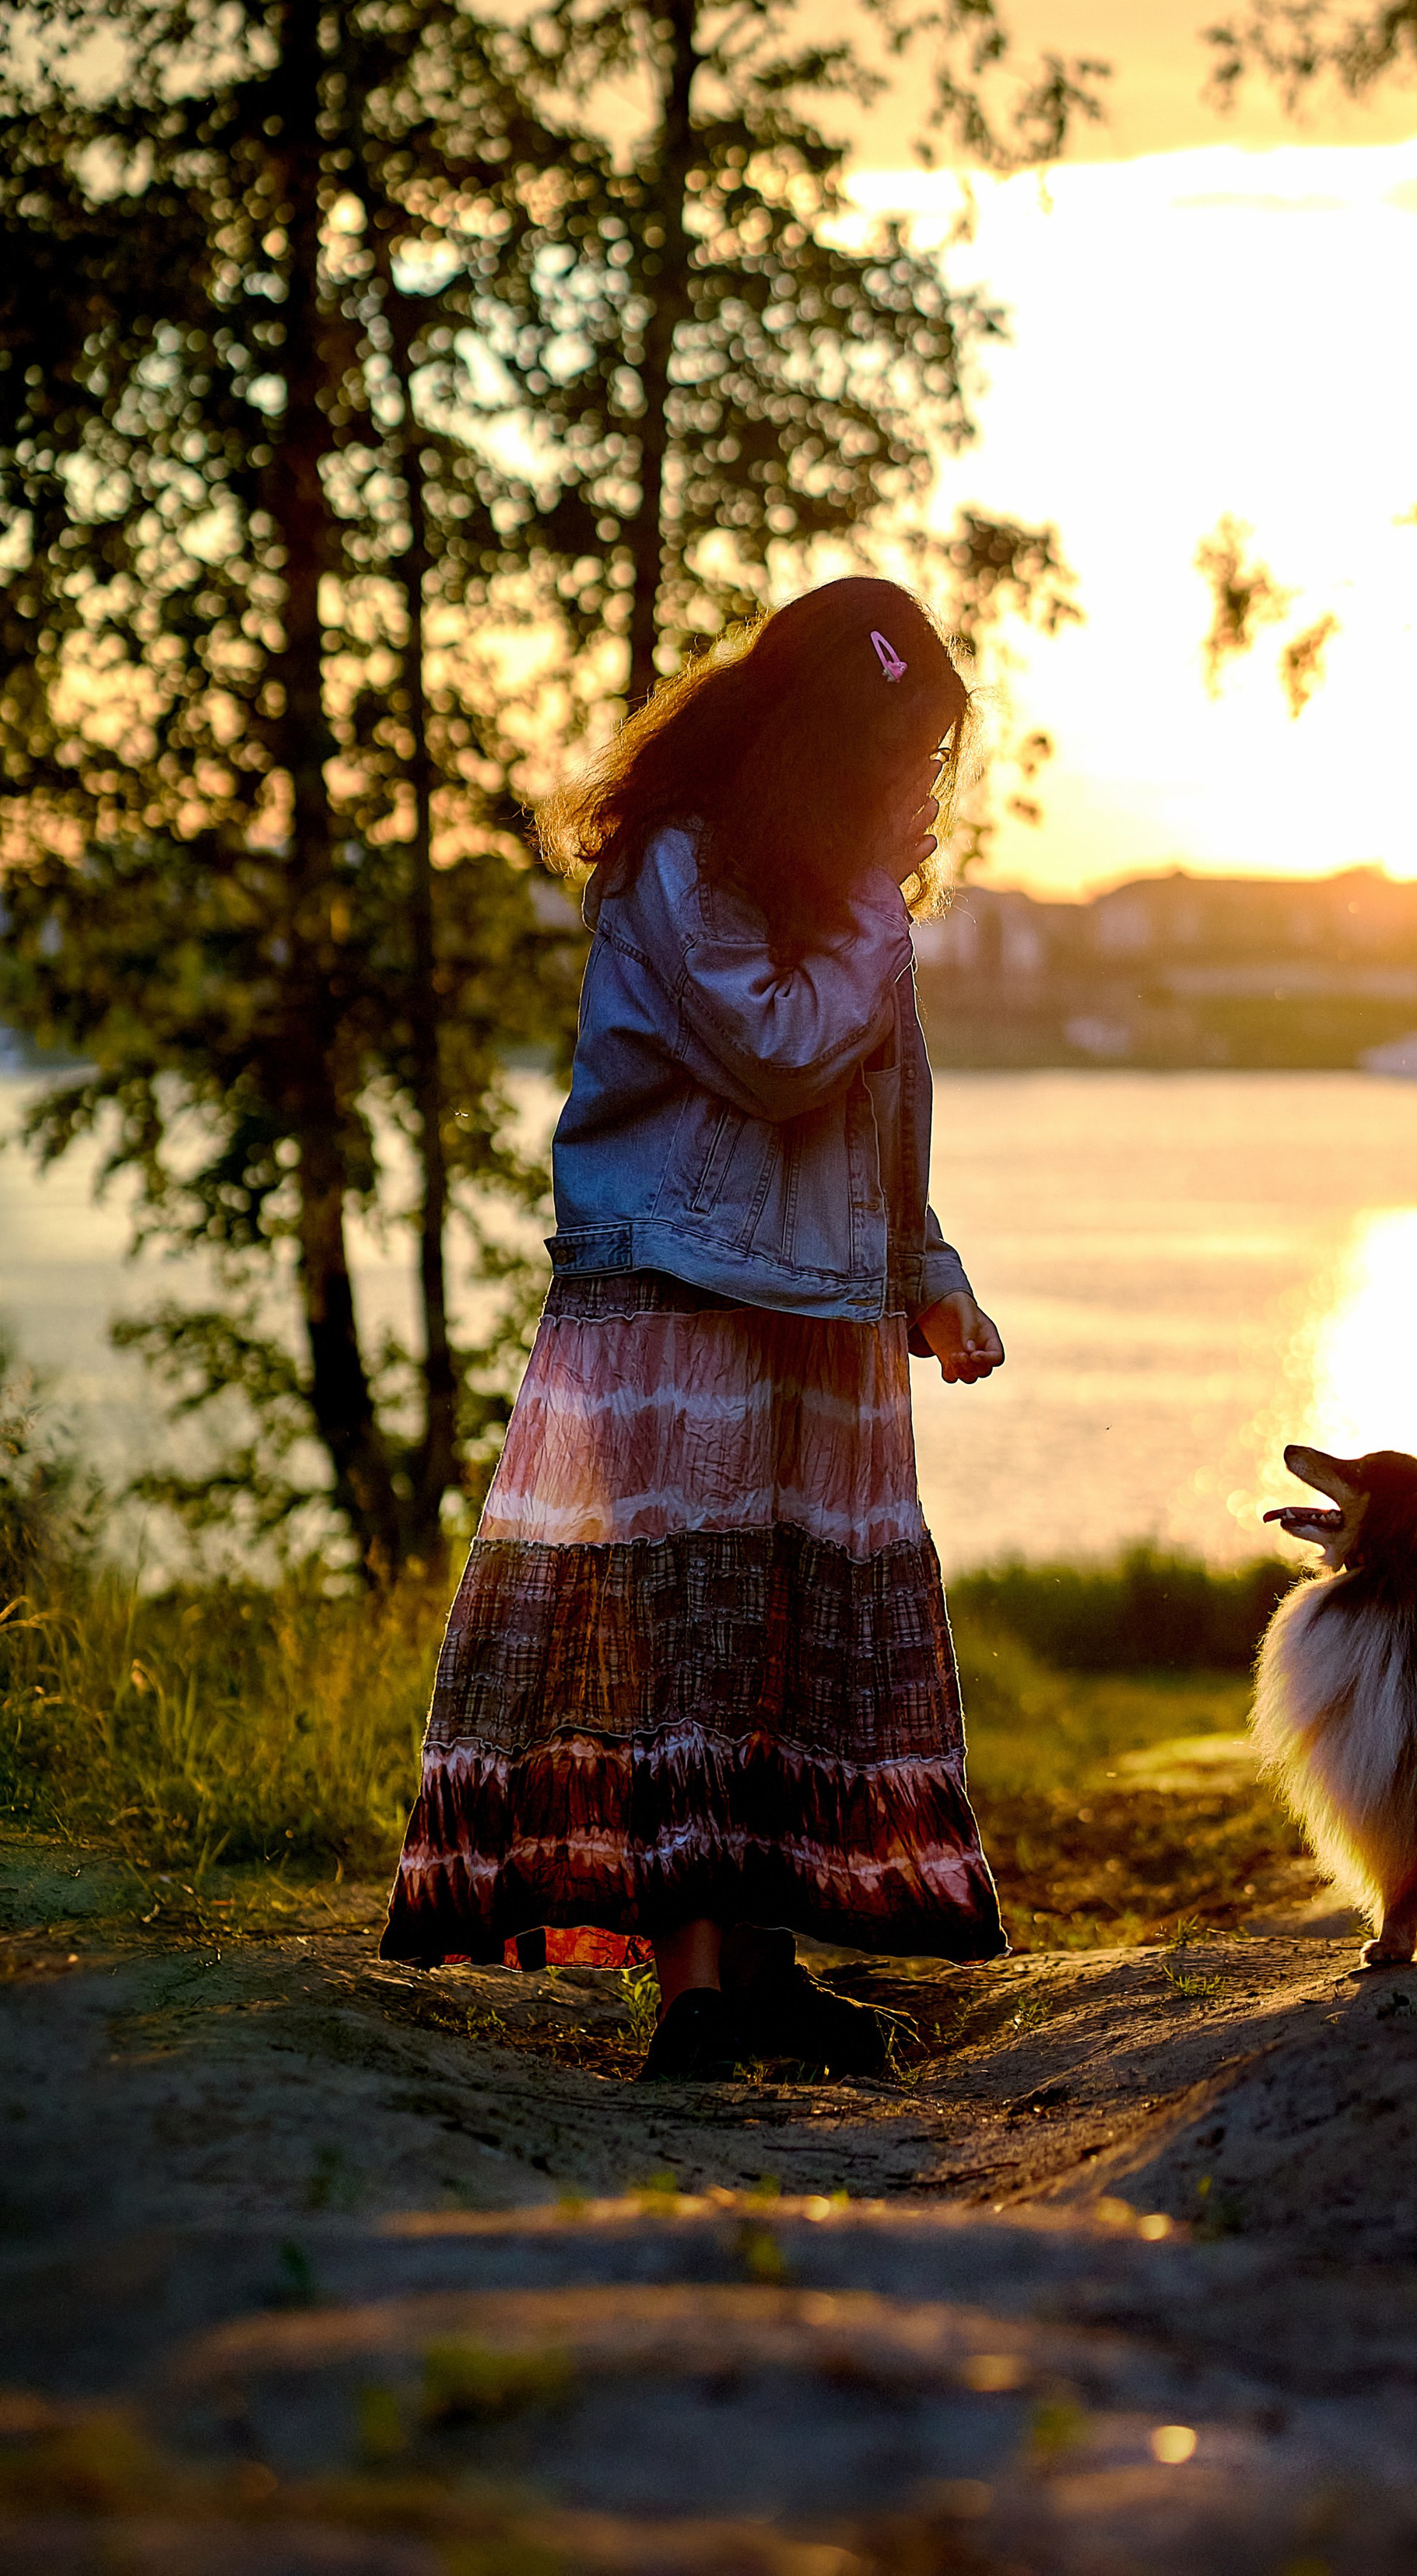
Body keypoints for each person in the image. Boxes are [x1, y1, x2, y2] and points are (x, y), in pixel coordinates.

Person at [380, 576, 1008, 2077]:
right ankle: (695, 1997)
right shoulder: (686, 861)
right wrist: (874, 901)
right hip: (684, 1286)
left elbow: (882, 1108)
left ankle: (763, 1973)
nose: (926, 786)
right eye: (909, 753)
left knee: (782, 1633)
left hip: (814, 1291)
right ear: (837, 743)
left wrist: (928, 1270)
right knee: (692, 1637)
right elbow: (780, 1052)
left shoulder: (838, 887)